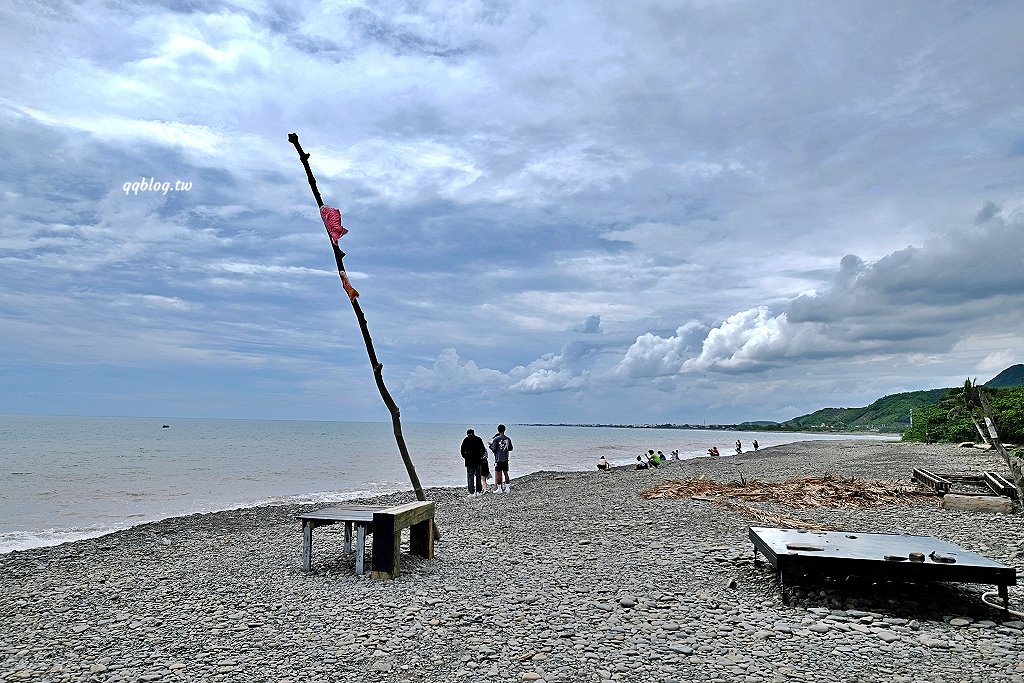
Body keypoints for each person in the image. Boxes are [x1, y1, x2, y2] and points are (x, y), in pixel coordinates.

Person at [461, 429, 486, 497]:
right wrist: (480, 456)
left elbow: (462, 450)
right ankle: (478, 491)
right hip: (478, 460)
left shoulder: (466, 440)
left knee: (470, 476)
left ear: (467, 434)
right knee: (478, 476)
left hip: (469, 461)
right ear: (474, 433)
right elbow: (483, 449)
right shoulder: (478, 439)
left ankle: (472, 492)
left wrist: (466, 457)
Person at [489, 424, 513, 493]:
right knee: (506, 473)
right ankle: (507, 488)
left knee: (499, 474)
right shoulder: (508, 439)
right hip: (505, 458)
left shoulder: (496, 439)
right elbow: (511, 448)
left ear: (498, 430)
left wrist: (490, 446)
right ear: (504, 430)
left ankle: (499, 489)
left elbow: (494, 449)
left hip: (498, 459)